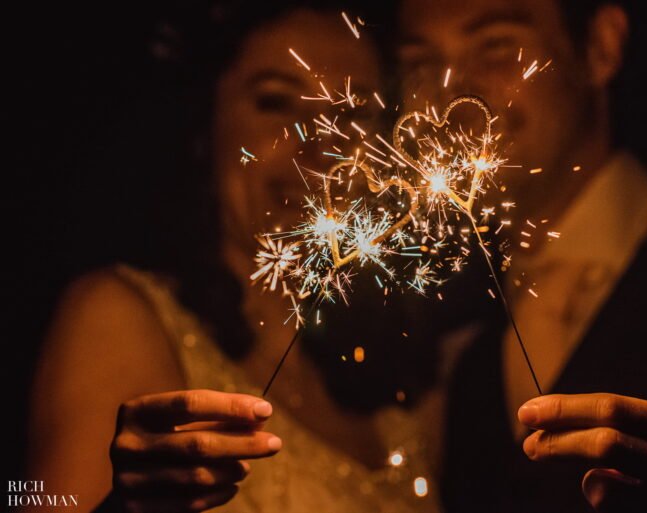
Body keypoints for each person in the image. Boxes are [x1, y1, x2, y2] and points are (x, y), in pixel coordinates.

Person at [25, 3, 445, 512]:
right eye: (276, 102)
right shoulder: (120, 320)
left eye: (352, 114)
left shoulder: (407, 388)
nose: (318, 147)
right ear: (208, 123)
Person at [396, 0, 647, 511]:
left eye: (496, 45)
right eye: (422, 63)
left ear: (600, 47)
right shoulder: (457, 354)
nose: (451, 94)